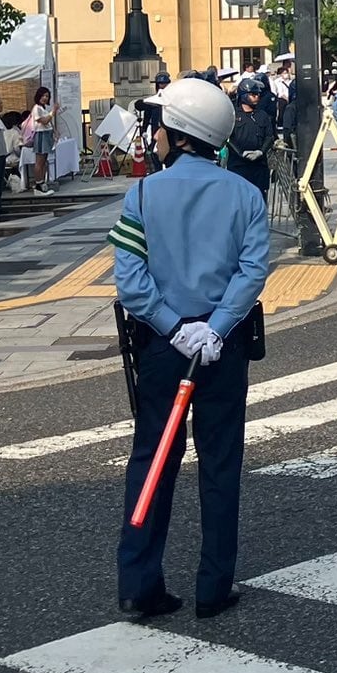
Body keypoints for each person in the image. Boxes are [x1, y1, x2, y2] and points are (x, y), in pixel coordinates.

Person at [111, 75, 269, 621]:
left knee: (153, 460)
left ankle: (139, 583)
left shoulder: (142, 194)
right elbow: (253, 273)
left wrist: (174, 326)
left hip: (162, 346)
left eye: (159, 125)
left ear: (177, 134)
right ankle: (212, 586)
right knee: (220, 464)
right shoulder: (246, 195)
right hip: (222, 349)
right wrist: (217, 327)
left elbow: (130, 282)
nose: (154, 134)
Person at [226, 79, 277, 194]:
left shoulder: (262, 115)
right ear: (243, 95)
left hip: (259, 166)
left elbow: (269, 136)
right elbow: (227, 137)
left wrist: (260, 151)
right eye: (253, 94)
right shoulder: (233, 115)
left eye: (258, 94)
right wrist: (240, 153)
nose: (257, 97)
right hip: (238, 166)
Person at [29, 85, 57, 193]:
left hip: (47, 134)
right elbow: (44, 121)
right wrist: (53, 112)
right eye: (43, 95)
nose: (45, 98)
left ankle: (42, 182)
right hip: (41, 135)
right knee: (39, 161)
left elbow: (49, 122)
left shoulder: (43, 108)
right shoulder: (36, 108)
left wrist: (54, 131)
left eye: (47, 96)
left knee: (44, 160)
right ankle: (38, 184)